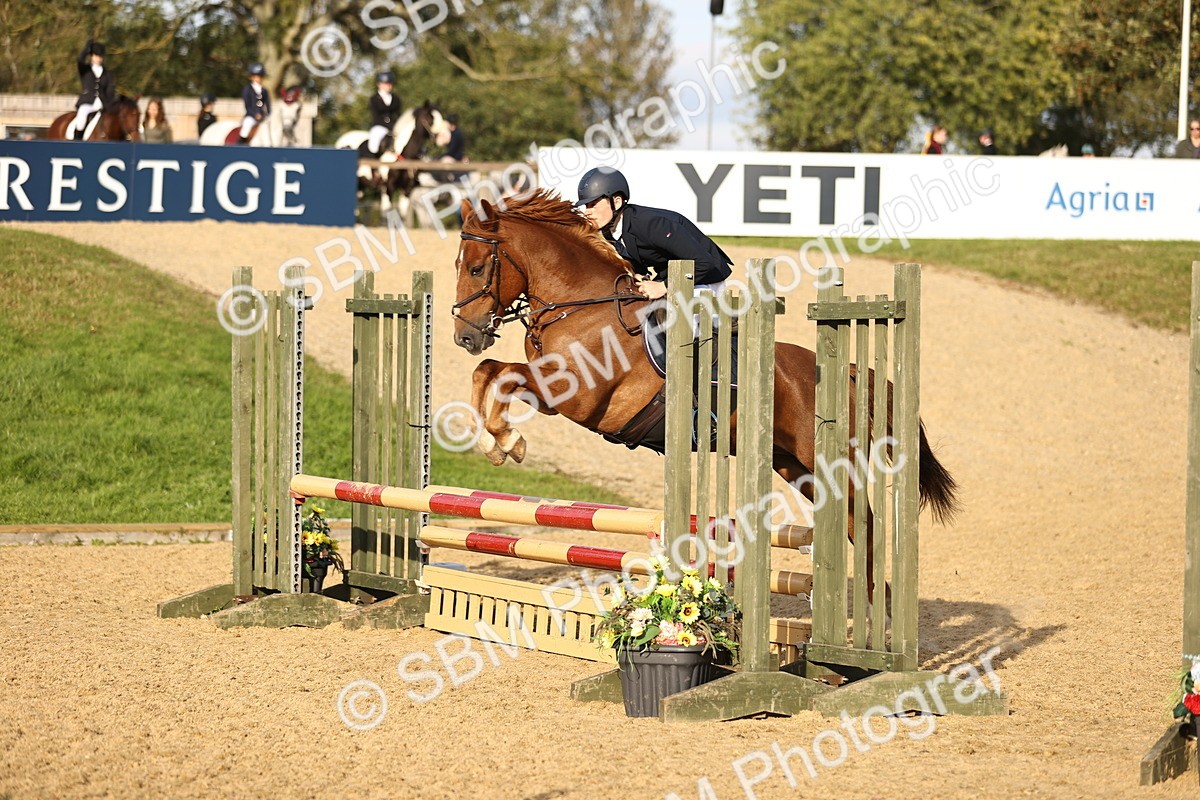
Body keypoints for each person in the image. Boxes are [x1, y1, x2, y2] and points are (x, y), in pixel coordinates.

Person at [574, 167, 732, 300]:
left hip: (705, 280)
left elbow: (704, 263)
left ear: (617, 201)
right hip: (672, 277)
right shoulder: (610, 231)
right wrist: (639, 275)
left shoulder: (651, 224)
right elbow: (637, 262)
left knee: (670, 320)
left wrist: (664, 286)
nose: (587, 212)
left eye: (593, 204)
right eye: (586, 206)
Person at [73, 39, 116, 140]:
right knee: (81, 117)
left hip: (102, 103)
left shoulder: (108, 73)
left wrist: (110, 104)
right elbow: (79, 60)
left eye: (101, 56)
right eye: (96, 55)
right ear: (91, 56)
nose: (99, 58)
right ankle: (77, 141)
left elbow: (110, 90)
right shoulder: (85, 69)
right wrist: (86, 49)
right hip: (87, 102)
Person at [367, 71, 401, 155]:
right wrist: (388, 126)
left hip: (394, 126)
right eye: (386, 83)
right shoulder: (374, 99)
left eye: (390, 83)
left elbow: (398, 114)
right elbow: (375, 116)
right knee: (373, 145)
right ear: (379, 84)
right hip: (379, 126)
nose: (389, 86)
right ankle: (372, 158)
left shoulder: (396, 99)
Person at [238, 63, 270, 145]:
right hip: (251, 116)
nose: (258, 78)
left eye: (259, 76)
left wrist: (268, 114)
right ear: (251, 77)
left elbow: (267, 104)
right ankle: (241, 144)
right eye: (255, 76)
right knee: (246, 127)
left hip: (262, 116)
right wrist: (255, 114)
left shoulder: (264, 90)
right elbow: (247, 105)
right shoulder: (247, 89)